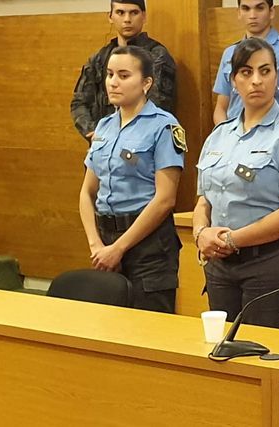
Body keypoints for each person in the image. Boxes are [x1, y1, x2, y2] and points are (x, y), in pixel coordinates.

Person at [193, 38, 279, 331]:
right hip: (221, 264)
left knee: (269, 351)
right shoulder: (218, 135)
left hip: (272, 262)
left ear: (277, 76)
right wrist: (200, 234)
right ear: (233, 80)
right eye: (246, 72)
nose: (256, 81)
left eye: (265, 71)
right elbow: (203, 201)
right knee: (224, 349)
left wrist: (234, 239)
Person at [79, 45, 185, 313]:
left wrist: (119, 248)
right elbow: (87, 192)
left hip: (148, 246)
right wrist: (96, 244)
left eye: (124, 75)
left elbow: (165, 199)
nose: (113, 82)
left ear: (146, 83)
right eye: (110, 74)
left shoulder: (163, 125)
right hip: (105, 239)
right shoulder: (104, 126)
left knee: (149, 326)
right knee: (108, 325)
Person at [71, 0, 176, 144]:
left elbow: (159, 104)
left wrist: (120, 135)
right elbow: (79, 102)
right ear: (110, 17)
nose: (127, 19)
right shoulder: (100, 58)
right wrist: (94, 132)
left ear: (144, 16)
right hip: (102, 142)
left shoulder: (156, 56)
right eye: (120, 12)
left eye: (134, 13)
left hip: (141, 142)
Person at [213, 0, 279, 124]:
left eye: (259, 8)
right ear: (239, 13)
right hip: (234, 130)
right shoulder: (229, 53)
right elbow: (221, 107)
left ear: (271, 11)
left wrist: (257, 127)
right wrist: (225, 131)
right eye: (246, 9)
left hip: (274, 129)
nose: (252, 15)